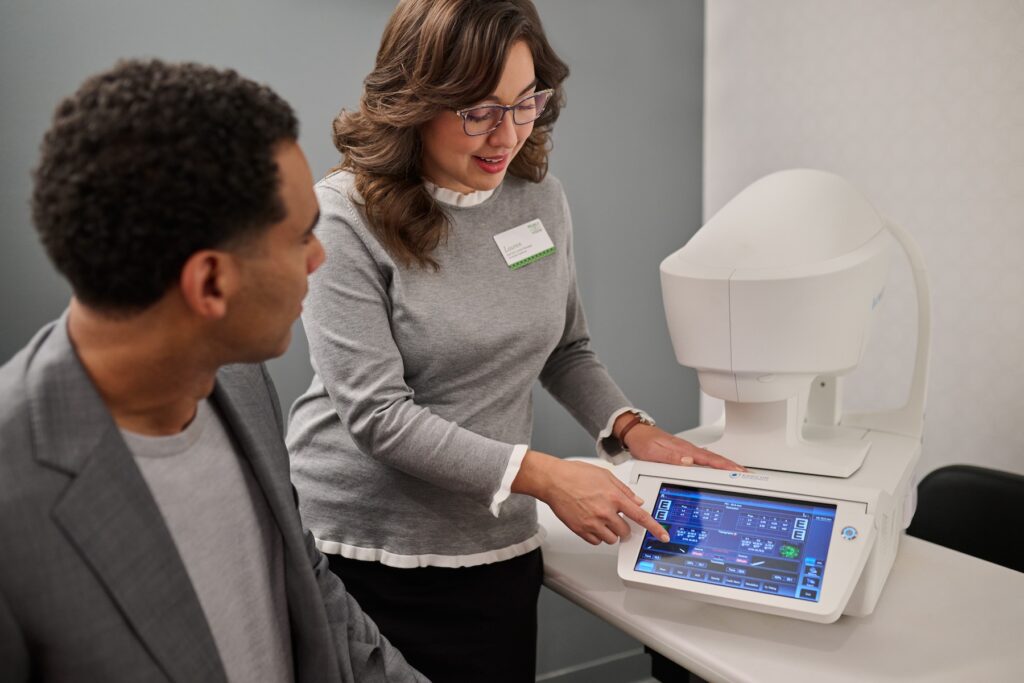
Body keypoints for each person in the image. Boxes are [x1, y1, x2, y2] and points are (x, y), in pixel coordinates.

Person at [287, 1, 744, 680]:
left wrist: (631, 430)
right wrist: (548, 475)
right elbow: (377, 416)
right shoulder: (344, 215)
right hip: (368, 552)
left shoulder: (537, 197)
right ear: (415, 101)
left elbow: (567, 349)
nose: (506, 134)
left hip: (495, 540)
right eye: (479, 110)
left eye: (526, 102)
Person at [0, 59, 426, 683]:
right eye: (300, 237)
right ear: (210, 282)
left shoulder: (236, 378)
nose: (319, 257)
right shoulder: (13, 507)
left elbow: (312, 599)